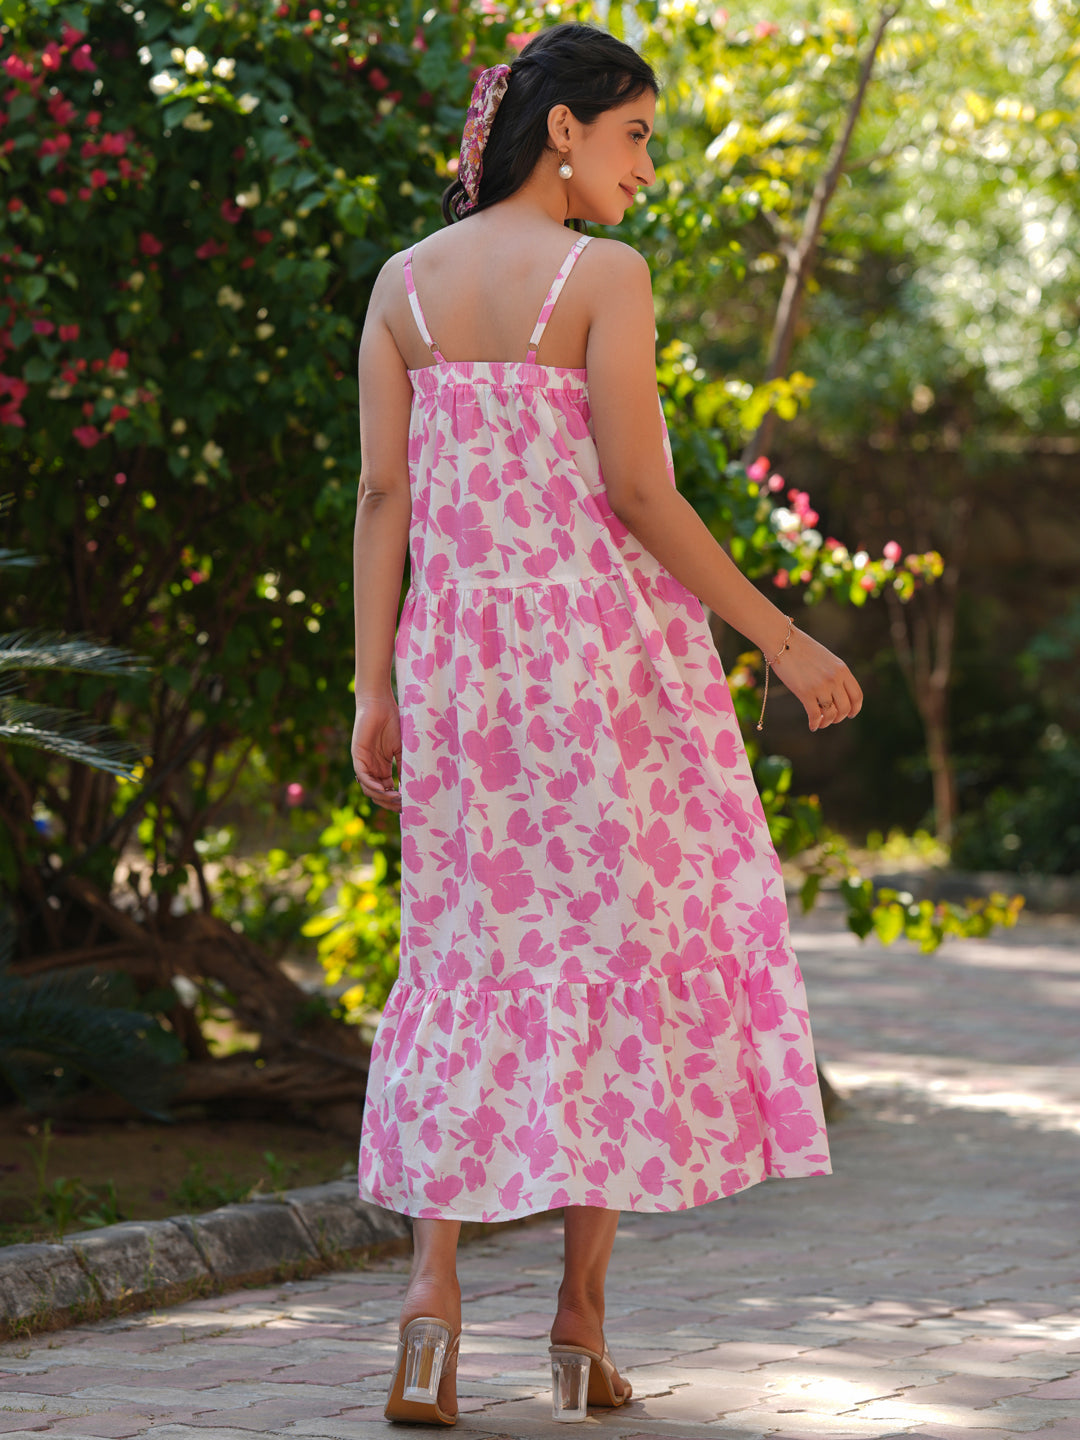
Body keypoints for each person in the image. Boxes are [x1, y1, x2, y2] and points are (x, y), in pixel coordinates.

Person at [350, 22, 862, 1427]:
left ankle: (426, 1314)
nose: (648, 164)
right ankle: (576, 1327)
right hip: (598, 672)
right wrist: (779, 628)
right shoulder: (600, 276)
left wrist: (373, 686)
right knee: (604, 970)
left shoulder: (399, 288)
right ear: (562, 129)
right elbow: (642, 495)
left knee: (462, 961)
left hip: (459, 670)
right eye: (634, 133)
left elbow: (383, 502)